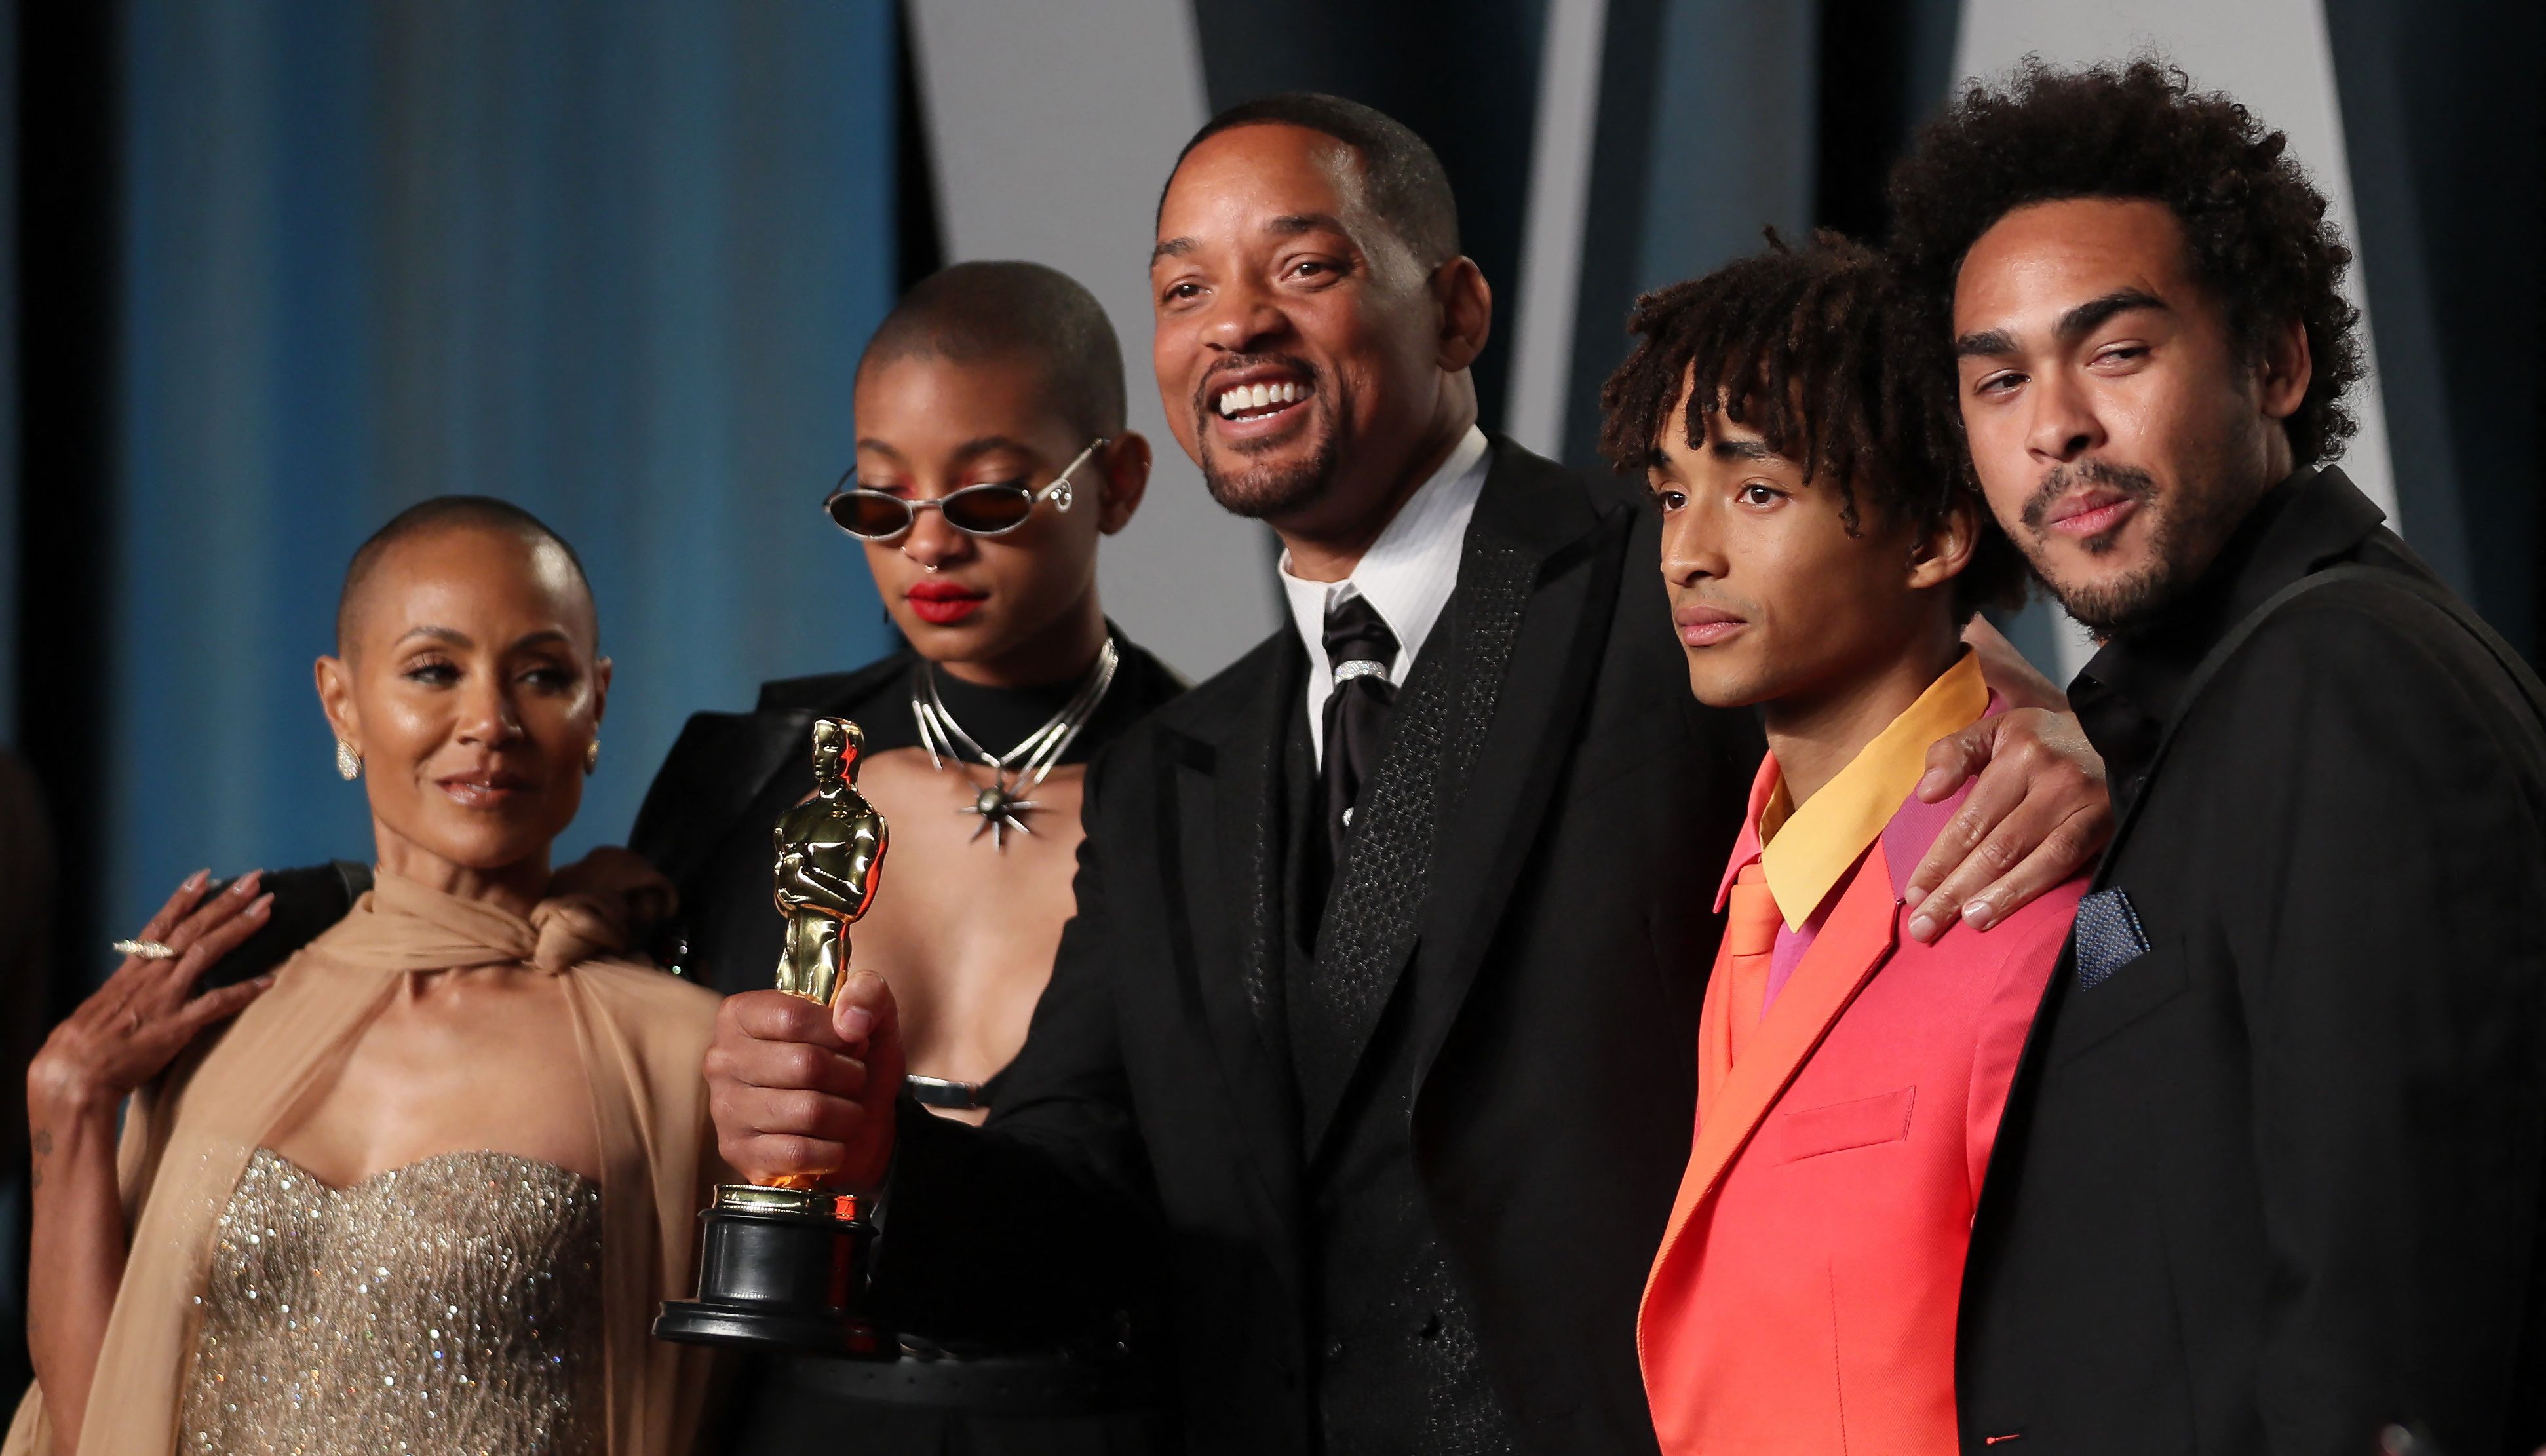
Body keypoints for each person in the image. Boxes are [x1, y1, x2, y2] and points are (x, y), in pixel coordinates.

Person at [704, 94, 2114, 1455]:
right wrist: (878, 1159)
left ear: (1456, 312)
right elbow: (1082, 1216)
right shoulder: (1167, 778)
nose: (1234, 323)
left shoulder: (1667, 580)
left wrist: (2070, 728)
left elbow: (1915, 647)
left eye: (1301, 266)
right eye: (1184, 289)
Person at [1885, 59, 2546, 1453]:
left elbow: (2392, 1325)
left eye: (2115, 352)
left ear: (2275, 364)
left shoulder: (2340, 678)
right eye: (1997, 381)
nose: (2054, 427)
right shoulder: (2207, 709)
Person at [8, 498, 722, 1456]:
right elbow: (98, 1422)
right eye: (435, 671)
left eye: (542, 676)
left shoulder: (681, 1048)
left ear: (595, 702)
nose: (491, 722)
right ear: (341, 702)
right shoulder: (226, 1012)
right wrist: (69, 1099)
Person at [627, 259, 1182, 1450]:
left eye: (987, 498)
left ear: (1120, 481)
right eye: (880, 503)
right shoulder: (744, 774)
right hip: (792, 1426)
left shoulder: (1221, 784)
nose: (927, 544)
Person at [1608, 235, 2085, 1453]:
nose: (1685, 554)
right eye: (1672, 494)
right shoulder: (1753, 879)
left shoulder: (2028, 884)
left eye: (1757, 492)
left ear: (1933, 537)